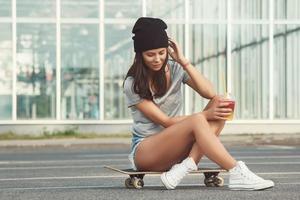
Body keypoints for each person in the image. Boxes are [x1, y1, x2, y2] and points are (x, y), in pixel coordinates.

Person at [123, 17, 274, 190]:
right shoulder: (132, 83)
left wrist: (184, 62)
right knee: (198, 119)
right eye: (150, 54)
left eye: (162, 52)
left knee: (221, 103)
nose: (157, 59)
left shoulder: (175, 69)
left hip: (177, 149)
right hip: (147, 152)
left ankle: (186, 165)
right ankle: (236, 171)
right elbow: (165, 122)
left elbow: (209, 92)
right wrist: (204, 115)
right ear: (140, 55)